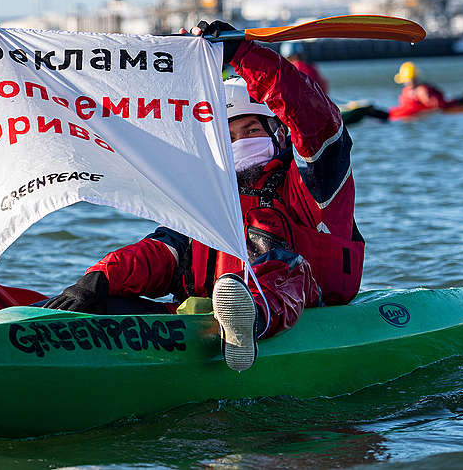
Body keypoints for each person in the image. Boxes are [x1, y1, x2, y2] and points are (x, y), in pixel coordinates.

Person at [43, 20, 364, 372]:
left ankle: (250, 319)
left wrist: (241, 53)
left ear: (278, 135)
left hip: (295, 305)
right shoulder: (206, 197)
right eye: (230, 136)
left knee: (269, 237)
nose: (242, 141)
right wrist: (97, 279)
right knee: (100, 300)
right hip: (204, 318)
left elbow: (313, 119)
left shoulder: (311, 186)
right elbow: (160, 253)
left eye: (252, 129)